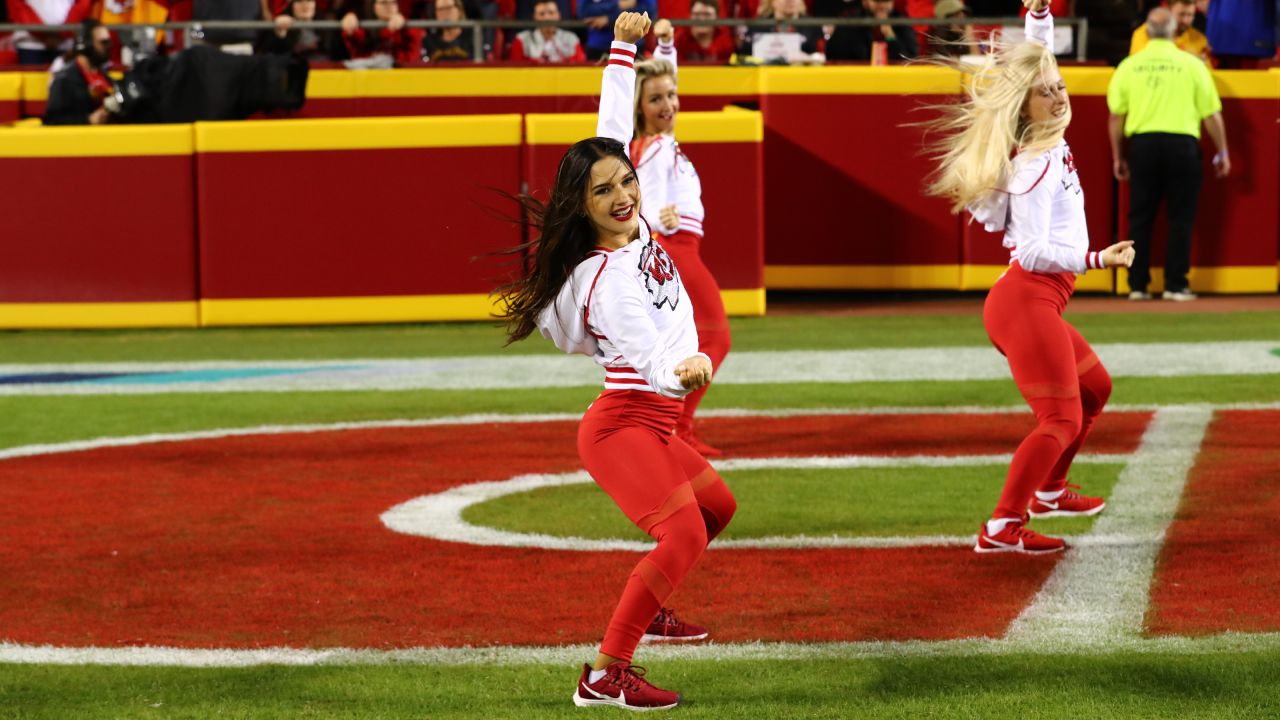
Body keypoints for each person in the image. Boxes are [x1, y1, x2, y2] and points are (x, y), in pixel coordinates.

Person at [495, 11, 736, 709]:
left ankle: (653, 601)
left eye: (624, 180)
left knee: (716, 507)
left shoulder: (629, 218)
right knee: (684, 528)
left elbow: (608, 126)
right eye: (603, 192)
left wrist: (624, 47)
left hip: (653, 419)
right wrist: (683, 371)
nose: (623, 194)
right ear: (584, 206)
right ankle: (604, 675)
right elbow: (648, 354)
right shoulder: (607, 277)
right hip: (626, 420)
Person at [926, 0, 1136, 555]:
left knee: (1095, 390)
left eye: (1061, 86)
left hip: (1034, 302)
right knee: (1059, 418)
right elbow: (1037, 250)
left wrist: (1037, 15)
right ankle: (1001, 526)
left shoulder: (1050, 142)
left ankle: (1049, 490)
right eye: (1049, 92)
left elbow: (1038, 60)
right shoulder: (1037, 164)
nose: (1060, 94)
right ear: (1029, 107)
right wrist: (1098, 260)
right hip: (1026, 299)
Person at [629, 18, 733, 457]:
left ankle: (665, 425)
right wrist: (659, 218)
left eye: (672, 96)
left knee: (685, 342)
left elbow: (662, 82)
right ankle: (677, 426)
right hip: (676, 249)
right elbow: (639, 203)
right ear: (640, 108)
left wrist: (667, 46)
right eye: (656, 99)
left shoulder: (656, 143)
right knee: (715, 339)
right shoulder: (653, 149)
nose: (668, 104)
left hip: (677, 249)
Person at [1108, 6, 1229, 302]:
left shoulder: (1129, 65)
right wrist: (1223, 151)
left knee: (1139, 218)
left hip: (1143, 146)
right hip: (1183, 146)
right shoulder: (1192, 65)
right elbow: (1212, 114)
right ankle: (1176, 285)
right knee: (1181, 218)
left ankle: (1137, 285)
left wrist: (1117, 156)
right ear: (1174, 30)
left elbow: (1115, 117)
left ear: (1147, 32)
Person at [44, 20, 114, 125]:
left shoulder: (104, 76)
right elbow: (51, 121)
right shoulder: (64, 80)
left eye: (108, 42)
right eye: (103, 42)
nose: (108, 47)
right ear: (87, 44)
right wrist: (87, 120)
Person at [824, 0, 918, 62]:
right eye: (877, 1)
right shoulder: (850, 22)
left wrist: (890, 36)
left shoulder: (902, 24)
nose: (881, 6)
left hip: (894, 80)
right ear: (865, 1)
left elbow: (910, 59)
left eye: (886, 1)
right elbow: (833, 56)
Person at [342, 0, 422, 65]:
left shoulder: (407, 26)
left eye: (393, 2)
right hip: (368, 77)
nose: (389, 7)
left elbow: (414, 49)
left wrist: (404, 26)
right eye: (383, 2)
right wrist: (350, 25)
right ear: (373, 5)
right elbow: (354, 42)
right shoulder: (365, 26)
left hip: (399, 76)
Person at [1129, 0, 1210, 62]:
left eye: (1190, 15)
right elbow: (1139, 64)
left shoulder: (1199, 39)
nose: (1185, 20)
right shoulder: (1144, 33)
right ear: (1167, 11)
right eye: (1181, 14)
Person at [508, 0, 585, 62]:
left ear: (558, 15)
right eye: (542, 14)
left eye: (551, 13)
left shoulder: (571, 38)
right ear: (535, 16)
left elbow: (581, 66)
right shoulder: (522, 39)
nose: (547, 17)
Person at [579, 0, 656, 61]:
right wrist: (618, 5)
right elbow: (583, 11)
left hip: (633, 44)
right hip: (598, 46)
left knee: (632, 79)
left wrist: (608, 19)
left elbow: (649, 11)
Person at [673, 0, 738, 62]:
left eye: (707, 14)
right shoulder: (680, 40)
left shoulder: (725, 42)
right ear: (690, 16)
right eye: (697, 14)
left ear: (717, 17)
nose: (701, 19)